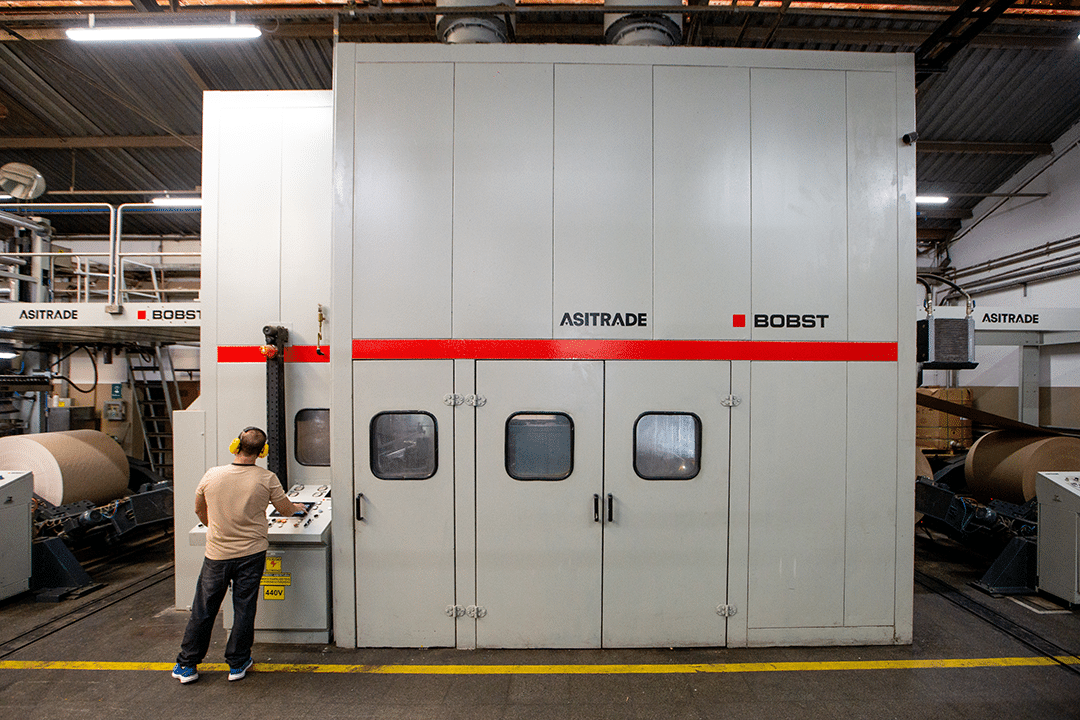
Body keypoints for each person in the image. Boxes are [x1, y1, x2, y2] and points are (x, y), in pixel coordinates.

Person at [171, 426, 305, 684]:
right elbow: (285, 509)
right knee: (244, 608)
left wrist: (216, 528)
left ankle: (187, 665)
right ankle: (237, 663)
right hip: (252, 554)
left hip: (217, 554)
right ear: (263, 451)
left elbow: (199, 509)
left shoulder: (212, 475)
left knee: (204, 609)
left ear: (236, 445)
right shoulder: (267, 478)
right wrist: (298, 507)